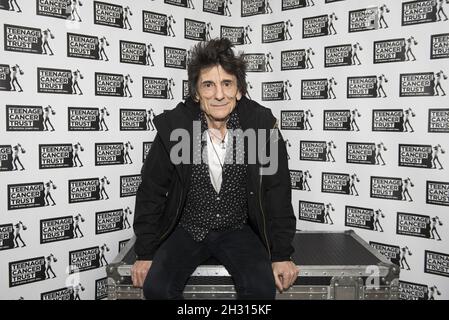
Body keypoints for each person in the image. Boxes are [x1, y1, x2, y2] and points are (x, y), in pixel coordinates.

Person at [132, 38, 297, 300]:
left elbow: (277, 192)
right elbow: (151, 191)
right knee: (157, 289)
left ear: (239, 91)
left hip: (237, 228)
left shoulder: (261, 127)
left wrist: (281, 254)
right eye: (208, 85)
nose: (219, 94)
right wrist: (146, 252)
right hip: (189, 228)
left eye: (227, 84)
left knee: (261, 290)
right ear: (196, 93)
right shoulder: (176, 128)